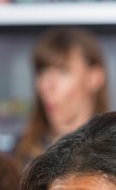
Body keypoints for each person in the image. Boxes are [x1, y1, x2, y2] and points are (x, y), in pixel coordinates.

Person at [15, 26, 109, 163]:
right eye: (42, 72)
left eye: (63, 71)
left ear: (95, 77)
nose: (47, 85)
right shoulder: (23, 154)